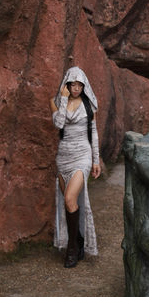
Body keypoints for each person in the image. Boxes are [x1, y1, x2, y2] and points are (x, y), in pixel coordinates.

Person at [49, 66, 101, 267]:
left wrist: (95, 160)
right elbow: (59, 124)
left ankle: (72, 248)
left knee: (71, 198)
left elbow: (94, 133)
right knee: (68, 203)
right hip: (63, 157)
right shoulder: (55, 103)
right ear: (67, 85)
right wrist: (63, 99)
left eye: (80, 84)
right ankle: (78, 238)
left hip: (83, 156)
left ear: (84, 85)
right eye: (73, 84)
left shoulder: (90, 105)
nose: (77, 88)